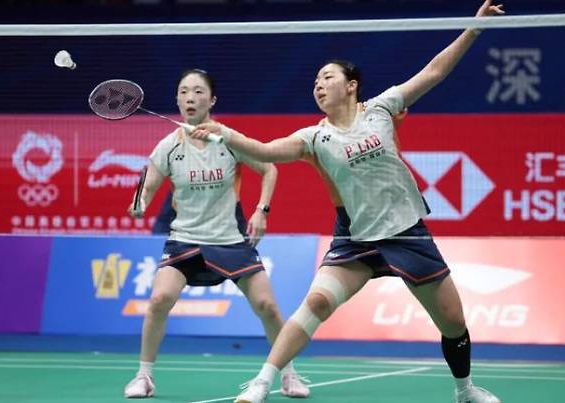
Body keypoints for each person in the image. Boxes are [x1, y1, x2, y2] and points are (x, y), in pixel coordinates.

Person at [189, 2, 505, 402]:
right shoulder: (313, 137)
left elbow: (434, 72)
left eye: (327, 77)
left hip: (406, 232)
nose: (318, 85)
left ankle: (465, 390)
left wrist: (474, 28)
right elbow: (266, 151)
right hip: (356, 238)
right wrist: (223, 133)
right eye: (315, 82)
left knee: (453, 321)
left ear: (351, 85)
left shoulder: (382, 108)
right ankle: (262, 383)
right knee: (316, 302)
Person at [123, 68, 310, 399]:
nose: (190, 98)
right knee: (159, 300)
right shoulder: (168, 146)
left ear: (211, 100)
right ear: (177, 100)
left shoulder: (227, 139)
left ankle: (289, 374)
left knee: (267, 305)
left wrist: (262, 210)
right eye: (184, 92)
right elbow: (148, 187)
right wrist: (140, 202)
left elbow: (269, 169)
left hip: (229, 239)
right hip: (184, 238)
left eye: (198, 92)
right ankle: (144, 376)